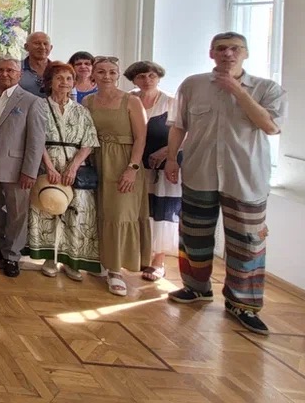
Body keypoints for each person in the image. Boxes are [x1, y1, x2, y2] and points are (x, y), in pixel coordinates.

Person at [164, 33, 287, 335]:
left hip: (245, 178)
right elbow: (179, 126)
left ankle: (242, 304)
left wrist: (237, 91)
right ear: (211, 53)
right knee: (194, 235)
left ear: (246, 53)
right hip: (200, 173)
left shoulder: (267, 89)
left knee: (247, 243)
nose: (228, 54)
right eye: (221, 48)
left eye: (235, 49)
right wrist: (171, 159)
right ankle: (196, 287)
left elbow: (271, 126)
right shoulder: (192, 85)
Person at [25, 61, 100, 281]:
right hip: (47, 163)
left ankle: (72, 260)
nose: (64, 82)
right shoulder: (39, 106)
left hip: (74, 167)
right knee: (48, 207)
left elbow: (89, 142)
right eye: (59, 78)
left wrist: (74, 167)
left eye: (68, 78)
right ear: (50, 82)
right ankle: (50, 258)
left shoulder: (81, 110)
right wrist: (49, 167)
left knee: (77, 211)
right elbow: (35, 139)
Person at [84, 57, 149, 297]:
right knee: (98, 212)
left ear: (118, 74)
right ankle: (101, 261)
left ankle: (116, 271)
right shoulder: (88, 101)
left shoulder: (131, 101)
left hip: (123, 162)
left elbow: (141, 138)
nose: (107, 76)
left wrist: (132, 168)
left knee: (119, 214)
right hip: (96, 161)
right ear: (93, 75)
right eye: (101, 72)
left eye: (112, 72)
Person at [0, 57, 45, 278]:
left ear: (19, 74)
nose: (4, 74)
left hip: (16, 167)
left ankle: (12, 255)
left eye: (10, 70)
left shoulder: (32, 101)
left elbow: (36, 141)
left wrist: (29, 171)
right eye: (0, 70)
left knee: (17, 213)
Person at [127, 61, 178, 282]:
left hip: (164, 164)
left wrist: (166, 152)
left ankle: (158, 261)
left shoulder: (171, 101)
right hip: (136, 164)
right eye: (141, 76)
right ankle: (140, 254)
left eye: (151, 76)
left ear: (158, 77)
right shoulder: (129, 98)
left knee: (161, 210)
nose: (147, 80)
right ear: (133, 79)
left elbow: (185, 133)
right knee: (140, 209)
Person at [19, 32, 53, 97]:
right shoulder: (15, 69)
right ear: (26, 47)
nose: (42, 47)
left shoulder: (58, 69)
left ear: (51, 47)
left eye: (45, 44)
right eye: (37, 43)